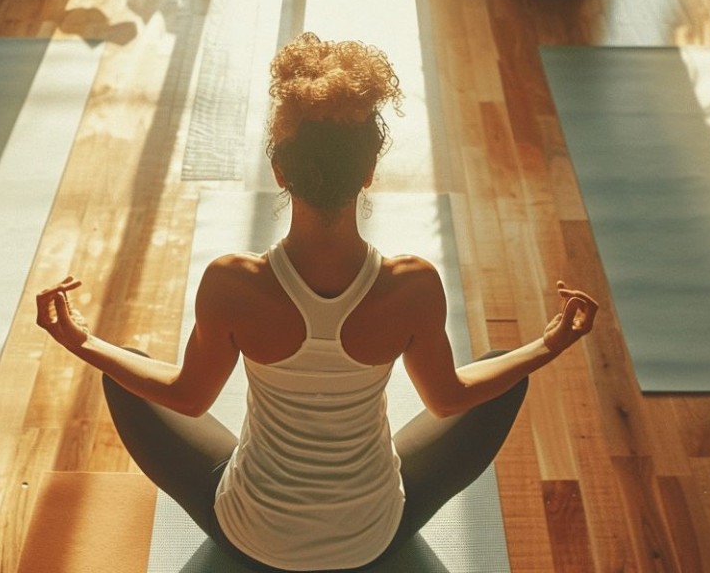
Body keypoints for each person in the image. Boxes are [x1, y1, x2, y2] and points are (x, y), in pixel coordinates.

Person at [36, 32, 600, 572]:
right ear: (369, 172)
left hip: (249, 538)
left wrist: (82, 342)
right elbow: (448, 399)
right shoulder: (413, 285)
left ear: (279, 170)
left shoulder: (232, 283)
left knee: (125, 369)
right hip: (374, 539)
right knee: (504, 367)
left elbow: (187, 397)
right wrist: (549, 344)